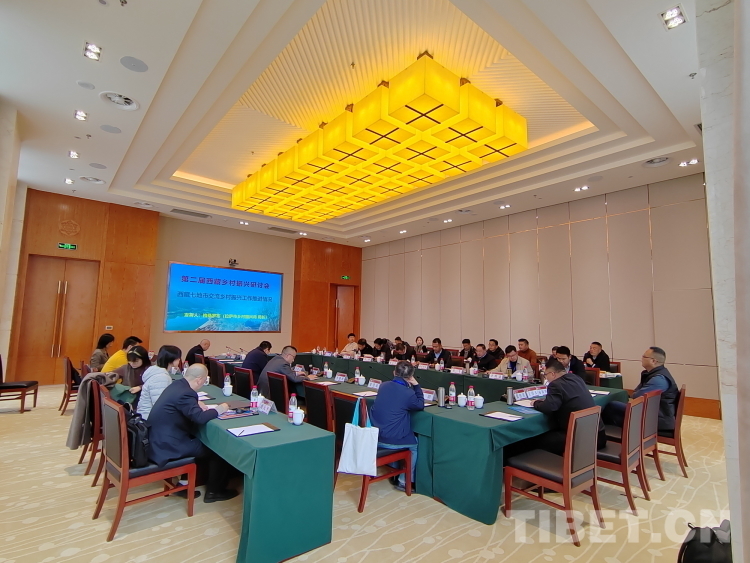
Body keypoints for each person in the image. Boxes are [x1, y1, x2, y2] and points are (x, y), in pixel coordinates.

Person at [147, 363, 238, 503]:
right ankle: (214, 492)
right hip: (168, 445)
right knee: (217, 448)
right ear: (199, 380)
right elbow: (200, 418)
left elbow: (184, 405)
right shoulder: (186, 393)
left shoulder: (177, 385)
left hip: (158, 438)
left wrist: (196, 403)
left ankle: (184, 483)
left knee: (202, 441)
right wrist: (221, 408)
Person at [530, 359, 607, 454]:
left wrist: (536, 403)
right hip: (599, 435)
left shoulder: (555, 384)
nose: (546, 378)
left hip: (581, 440)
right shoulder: (576, 378)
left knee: (535, 440)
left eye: (545, 375)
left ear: (553, 374)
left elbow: (549, 407)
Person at [370, 361, 424, 492]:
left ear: (394, 372)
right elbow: (420, 404)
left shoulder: (383, 386)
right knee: (415, 446)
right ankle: (404, 481)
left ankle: (394, 472)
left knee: (395, 429)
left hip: (376, 435)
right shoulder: (408, 393)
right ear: (410, 376)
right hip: (392, 439)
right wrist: (416, 385)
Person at [604, 347, 679, 433]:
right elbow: (636, 392)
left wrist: (635, 393)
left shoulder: (659, 379)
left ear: (653, 361)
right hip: (653, 413)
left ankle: (613, 436)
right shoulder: (652, 374)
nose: (641, 358)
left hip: (658, 419)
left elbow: (637, 396)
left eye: (644, 356)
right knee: (615, 410)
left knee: (611, 406)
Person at [137, 345, 180, 420]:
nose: (179, 360)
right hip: (149, 419)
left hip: (148, 415)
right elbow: (160, 406)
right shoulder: (161, 377)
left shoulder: (157, 371)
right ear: (172, 359)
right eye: (178, 358)